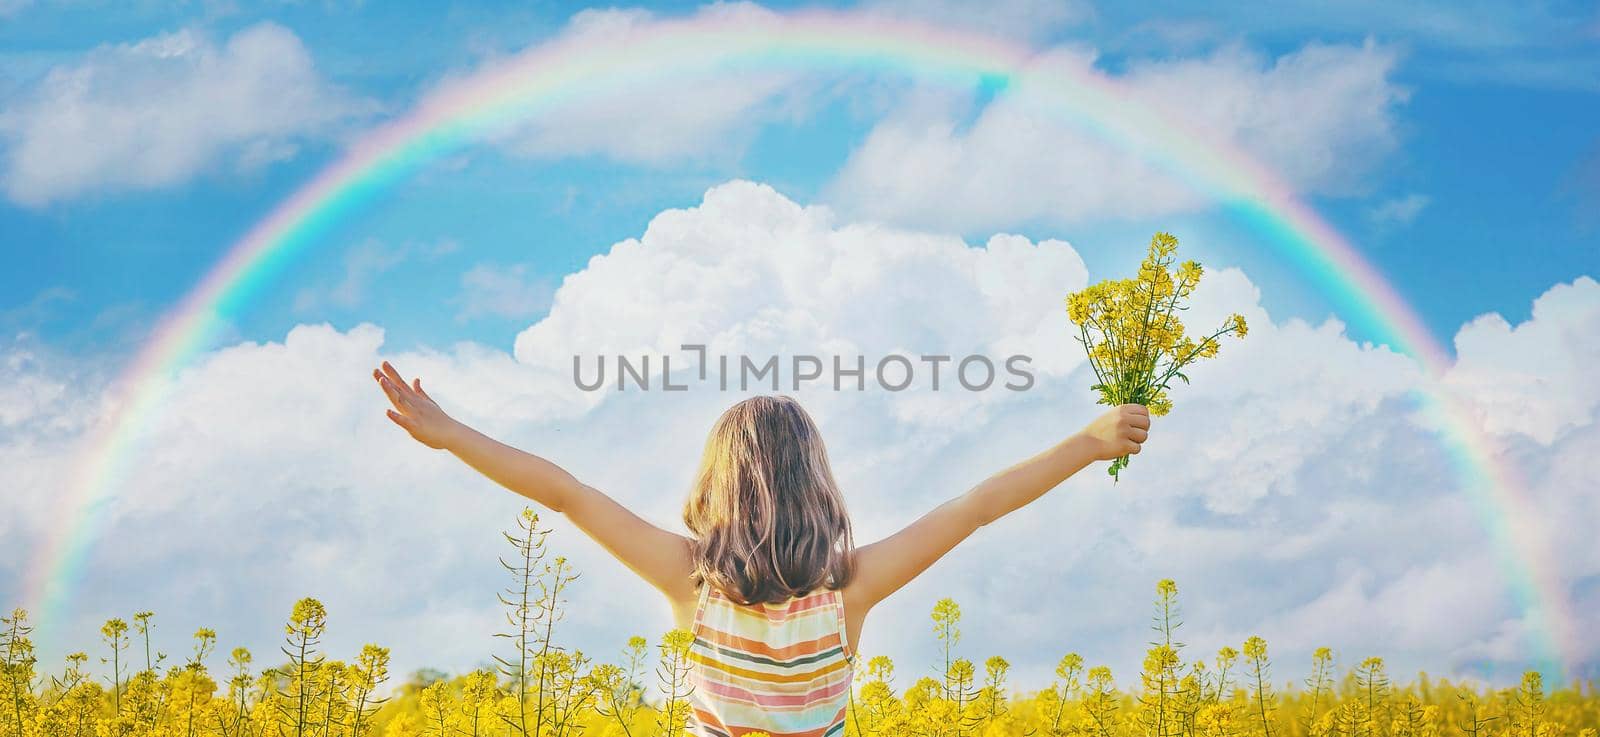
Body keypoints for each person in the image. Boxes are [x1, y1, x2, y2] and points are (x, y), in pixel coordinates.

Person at [372, 360, 1150, 736]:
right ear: (818, 482)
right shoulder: (852, 587)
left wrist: (451, 436)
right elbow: (975, 506)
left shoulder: (690, 581)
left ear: (718, 485)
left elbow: (564, 490)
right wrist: (1084, 443)